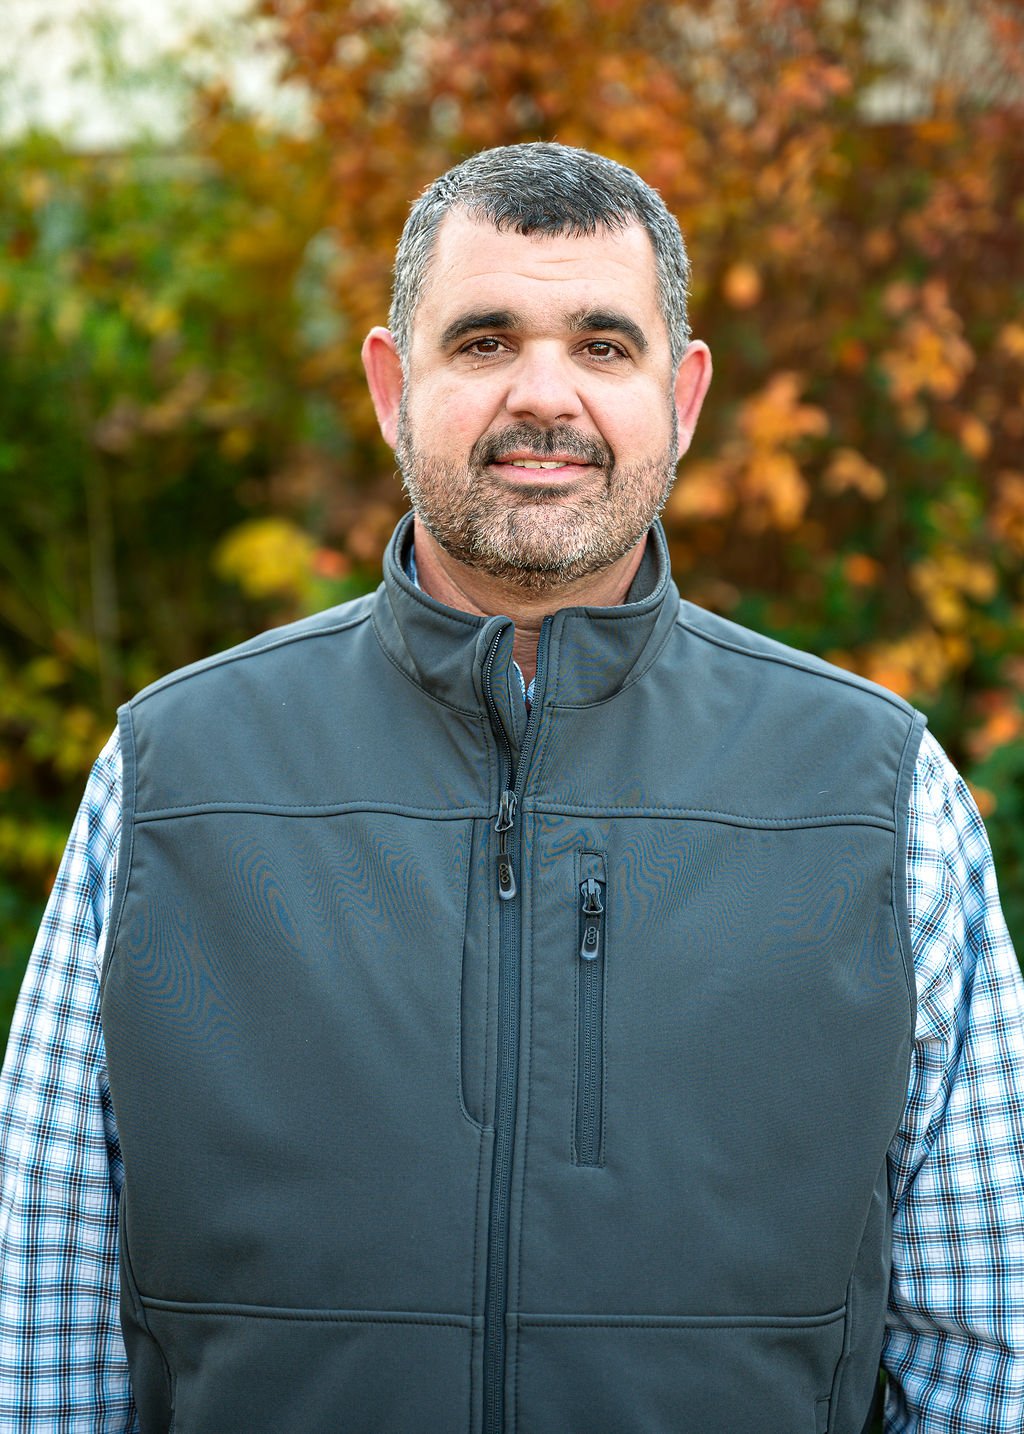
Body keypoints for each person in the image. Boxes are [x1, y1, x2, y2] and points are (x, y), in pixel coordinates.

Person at [1, 142, 1022, 1434]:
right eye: (484, 341)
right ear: (393, 385)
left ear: (683, 396)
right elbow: (40, 1334)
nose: (545, 395)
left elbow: (990, 1350)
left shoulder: (878, 796)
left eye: (604, 345)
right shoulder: (171, 779)